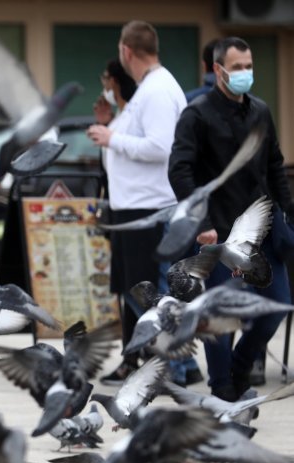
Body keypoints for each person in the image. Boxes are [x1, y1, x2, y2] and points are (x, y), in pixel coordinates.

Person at [169, 36, 293, 401]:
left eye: (249, 66)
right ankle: (222, 388)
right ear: (217, 69)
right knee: (221, 316)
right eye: (238, 67)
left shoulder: (260, 111)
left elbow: (274, 164)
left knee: (277, 305)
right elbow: (180, 171)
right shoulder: (196, 114)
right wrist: (202, 222)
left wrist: (286, 211)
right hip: (218, 234)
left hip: (262, 231)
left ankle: (240, 368)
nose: (245, 73)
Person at [87, 21, 187, 385]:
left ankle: (169, 368)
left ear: (126, 51)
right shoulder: (147, 90)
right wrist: (110, 131)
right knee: (136, 292)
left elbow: (160, 147)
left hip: (148, 209)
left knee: (147, 296)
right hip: (133, 207)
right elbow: (127, 149)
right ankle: (160, 365)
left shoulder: (158, 90)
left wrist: (112, 137)